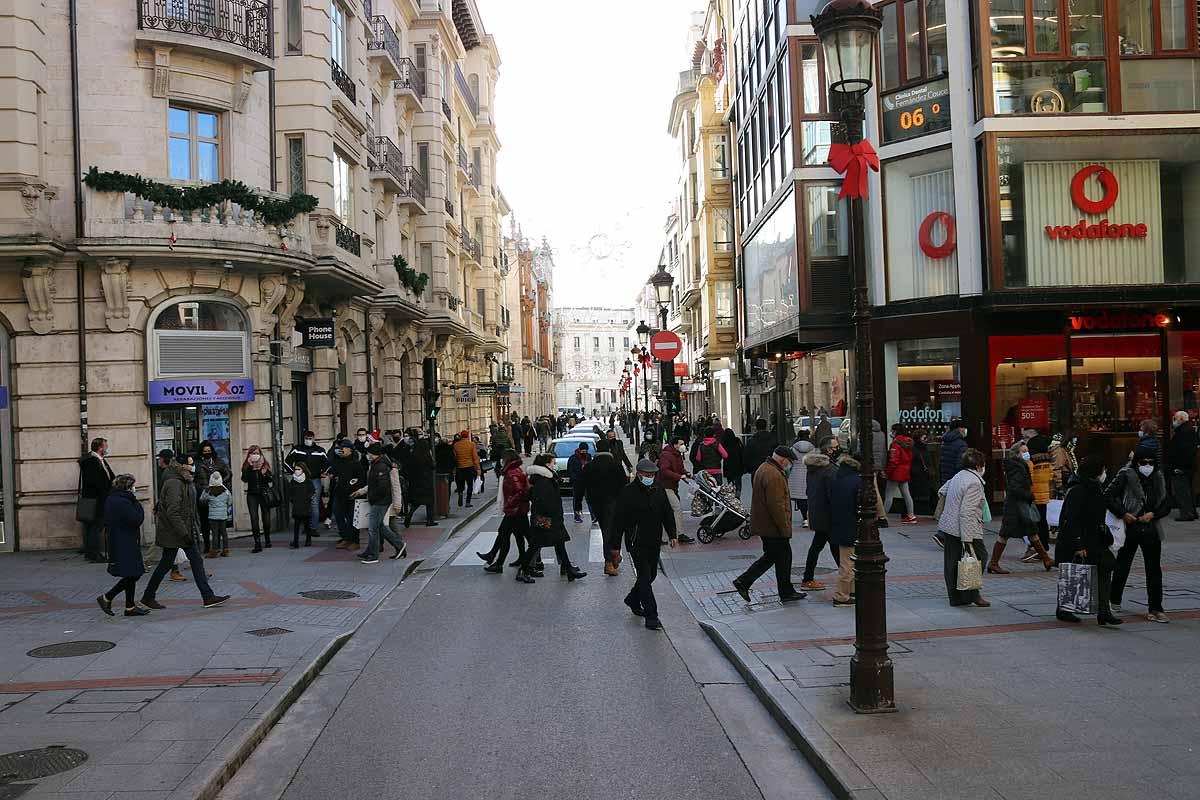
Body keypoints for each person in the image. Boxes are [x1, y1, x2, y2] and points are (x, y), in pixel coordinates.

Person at [140, 462, 229, 610]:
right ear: (182, 468)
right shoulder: (174, 483)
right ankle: (207, 596)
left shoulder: (185, 481)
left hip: (181, 531)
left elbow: (189, 509)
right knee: (193, 561)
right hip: (176, 532)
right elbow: (173, 512)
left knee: (168, 564)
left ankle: (148, 596)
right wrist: (185, 533)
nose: (192, 468)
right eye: (189, 466)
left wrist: (194, 528)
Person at [1108, 441, 1172, 623]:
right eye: (1143, 462)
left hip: (1151, 527)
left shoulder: (1158, 477)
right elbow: (1109, 496)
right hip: (1131, 525)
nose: (1147, 466)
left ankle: (1156, 608)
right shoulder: (1125, 475)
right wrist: (1123, 513)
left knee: (1153, 569)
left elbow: (1167, 502)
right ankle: (1114, 598)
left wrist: (1153, 514)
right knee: (1122, 564)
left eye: (1150, 462)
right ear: (1136, 462)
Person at [733, 447, 804, 603]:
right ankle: (744, 581)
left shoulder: (765, 468)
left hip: (766, 525)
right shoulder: (773, 475)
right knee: (777, 556)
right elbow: (777, 505)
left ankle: (786, 591)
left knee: (779, 557)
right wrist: (785, 529)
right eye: (790, 461)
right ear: (782, 459)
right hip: (773, 527)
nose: (790, 465)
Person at [612, 459, 677, 630]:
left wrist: (672, 534)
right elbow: (618, 521)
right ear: (639, 474)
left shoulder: (658, 489)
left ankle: (632, 599)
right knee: (644, 577)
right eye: (648, 475)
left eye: (653, 475)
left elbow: (667, 512)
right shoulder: (627, 492)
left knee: (651, 575)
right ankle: (652, 616)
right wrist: (615, 547)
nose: (651, 478)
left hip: (654, 540)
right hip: (636, 541)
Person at [1054, 454, 1120, 625]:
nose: (1105, 472)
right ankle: (1064, 609)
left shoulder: (1095, 487)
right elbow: (1070, 519)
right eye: (1103, 469)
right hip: (1079, 540)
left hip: (1096, 539)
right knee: (1073, 574)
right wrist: (1078, 544)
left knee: (1105, 568)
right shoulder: (1078, 489)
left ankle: (1104, 611)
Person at [518, 453, 586, 582]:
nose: (554, 465)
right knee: (536, 545)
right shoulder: (544, 480)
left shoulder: (545, 478)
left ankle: (568, 569)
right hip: (546, 518)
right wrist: (551, 515)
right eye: (553, 463)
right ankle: (523, 570)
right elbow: (543, 501)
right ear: (547, 465)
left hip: (549, 517)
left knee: (559, 542)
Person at [935, 447, 991, 607]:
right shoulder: (974, 482)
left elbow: (942, 491)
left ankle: (955, 597)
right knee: (979, 557)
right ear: (979, 465)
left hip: (949, 526)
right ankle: (971, 593)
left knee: (952, 561)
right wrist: (967, 539)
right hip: (966, 528)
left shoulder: (958, 476)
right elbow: (967, 512)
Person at [988, 442, 1054, 573]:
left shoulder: (1018, 466)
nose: (1027, 453)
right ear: (1017, 453)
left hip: (1018, 505)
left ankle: (1046, 558)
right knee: (1005, 534)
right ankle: (993, 563)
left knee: (1031, 532)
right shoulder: (1017, 467)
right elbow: (1015, 488)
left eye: (1027, 450)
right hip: (1015, 506)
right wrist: (1029, 496)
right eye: (1024, 451)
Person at [96, 474, 150, 617]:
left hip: (121, 539)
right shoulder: (123, 502)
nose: (134, 489)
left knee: (131, 572)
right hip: (124, 541)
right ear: (128, 487)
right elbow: (136, 519)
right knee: (134, 573)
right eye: (133, 486)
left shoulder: (114, 499)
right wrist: (138, 504)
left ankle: (130, 607)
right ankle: (107, 597)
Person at [800, 437, 840, 591]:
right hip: (828, 514)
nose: (837, 449)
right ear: (828, 449)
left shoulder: (814, 467)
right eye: (835, 447)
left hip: (818, 512)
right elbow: (833, 494)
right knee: (832, 546)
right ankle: (847, 576)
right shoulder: (828, 469)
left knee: (821, 546)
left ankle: (808, 577)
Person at [479, 451, 529, 575]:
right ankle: (523, 559)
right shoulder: (513, 471)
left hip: (515, 510)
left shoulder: (512, 473)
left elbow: (520, 491)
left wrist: (510, 503)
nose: (501, 461)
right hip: (517, 510)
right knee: (518, 535)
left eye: (503, 459)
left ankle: (498, 563)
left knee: (505, 534)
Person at [583, 439, 628, 576]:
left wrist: (579, 503)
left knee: (606, 530)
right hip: (614, 502)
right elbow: (624, 484)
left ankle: (613, 557)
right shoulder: (615, 465)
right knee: (615, 530)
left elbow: (582, 485)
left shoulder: (589, 466)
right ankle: (610, 560)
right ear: (609, 449)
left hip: (597, 503)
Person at [357, 443, 407, 564]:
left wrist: (396, 504)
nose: (367, 455)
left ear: (372, 453)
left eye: (368, 453)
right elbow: (374, 484)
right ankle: (399, 545)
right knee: (379, 526)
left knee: (373, 528)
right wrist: (362, 491)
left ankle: (373, 555)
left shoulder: (381, 466)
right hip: (380, 500)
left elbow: (385, 486)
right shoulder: (377, 464)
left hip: (380, 501)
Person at [827, 454, 862, 607]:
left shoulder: (837, 477)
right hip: (851, 524)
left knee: (849, 561)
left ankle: (851, 592)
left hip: (838, 523)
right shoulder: (856, 480)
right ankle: (841, 596)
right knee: (848, 563)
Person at [79, 436, 115, 563]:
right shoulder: (92, 462)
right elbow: (95, 482)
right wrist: (106, 492)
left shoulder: (100, 460)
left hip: (100, 499)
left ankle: (91, 553)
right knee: (95, 527)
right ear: (100, 448)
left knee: (93, 527)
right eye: (105, 446)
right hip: (96, 501)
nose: (107, 448)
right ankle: (93, 554)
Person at [285, 431, 329, 534]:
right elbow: (287, 462)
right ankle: (305, 526)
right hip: (299, 480)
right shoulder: (297, 449)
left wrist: (323, 472)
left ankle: (313, 528)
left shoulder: (320, 451)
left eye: (310, 438)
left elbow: (327, 464)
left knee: (314, 504)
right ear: (303, 438)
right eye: (306, 438)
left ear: (313, 439)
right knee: (300, 503)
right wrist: (294, 472)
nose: (308, 440)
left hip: (314, 480)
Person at [327, 440, 366, 550]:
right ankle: (345, 538)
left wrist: (356, 488)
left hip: (352, 495)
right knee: (338, 515)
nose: (341, 450)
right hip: (339, 493)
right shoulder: (338, 461)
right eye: (340, 448)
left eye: (343, 448)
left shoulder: (356, 463)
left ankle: (355, 540)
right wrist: (331, 475)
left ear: (350, 449)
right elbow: (333, 471)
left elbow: (361, 480)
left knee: (351, 518)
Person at [194, 440, 231, 554]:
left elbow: (229, 473)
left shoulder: (218, 462)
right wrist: (200, 488)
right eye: (205, 451)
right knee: (205, 522)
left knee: (218, 522)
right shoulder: (197, 463)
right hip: (204, 495)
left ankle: (218, 545)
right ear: (201, 452)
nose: (207, 453)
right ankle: (207, 545)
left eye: (209, 451)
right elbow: (192, 477)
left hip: (217, 495)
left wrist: (220, 484)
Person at [656, 436, 693, 544]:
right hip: (665, 486)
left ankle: (673, 534)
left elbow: (680, 468)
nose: (683, 446)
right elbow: (664, 470)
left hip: (672, 486)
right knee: (677, 508)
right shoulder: (666, 455)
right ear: (675, 445)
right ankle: (679, 534)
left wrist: (686, 473)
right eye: (681, 444)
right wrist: (679, 476)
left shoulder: (677, 455)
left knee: (667, 511)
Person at [240, 445, 274, 552]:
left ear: (260, 454)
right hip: (252, 495)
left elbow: (270, 479)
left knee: (266, 518)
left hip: (264, 493)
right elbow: (244, 479)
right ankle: (257, 543)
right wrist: (249, 467)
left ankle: (267, 539)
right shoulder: (247, 465)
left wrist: (264, 474)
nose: (255, 455)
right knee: (254, 518)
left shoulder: (264, 464)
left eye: (257, 453)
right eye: (253, 453)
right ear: (249, 455)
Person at [1167, 410, 1198, 521]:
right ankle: (1191, 512)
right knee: (1188, 490)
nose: (1173, 421)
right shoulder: (1188, 430)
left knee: (1182, 490)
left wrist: (1178, 467)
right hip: (1187, 466)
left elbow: (1183, 451)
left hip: (1181, 467)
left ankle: (1186, 513)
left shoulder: (1183, 432)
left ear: (1181, 419)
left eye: (1175, 418)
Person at [882, 424, 917, 524]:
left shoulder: (895, 444)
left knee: (889, 495)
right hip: (905, 471)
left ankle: (883, 516)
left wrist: (887, 472)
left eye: (891, 430)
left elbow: (893, 460)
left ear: (895, 431)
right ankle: (911, 515)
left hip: (895, 473)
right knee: (906, 494)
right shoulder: (909, 442)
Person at [403, 437, 438, 527]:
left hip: (416, 481)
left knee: (416, 502)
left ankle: (409, 514)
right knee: (429, 502)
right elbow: (433, 466)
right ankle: (430, 520)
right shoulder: (426, 455)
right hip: (426, 481)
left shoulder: (414, 454)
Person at [287, 463, 316, 548]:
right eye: (295, 469)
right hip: (296, 505)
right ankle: (296, 542)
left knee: (307, 524)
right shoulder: (293, 480)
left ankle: (308, 540)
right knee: (296, 524)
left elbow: (313, 491)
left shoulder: (308, 481)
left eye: (299, 469)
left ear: (303, 470)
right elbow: (290, 491)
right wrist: (292, 499)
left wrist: (308, 498)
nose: (297, 471)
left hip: (306, 505)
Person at [788, 430, 815, 520]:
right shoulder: (813, 448)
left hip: (796, 475)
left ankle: (804, 518)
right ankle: (809, 515)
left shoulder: (793, 448)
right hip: (809, 473)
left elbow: (790, 463)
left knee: (800, 498)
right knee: (809, 496)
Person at [205, 472, 232, 557]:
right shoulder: (225, 491)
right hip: (223, 515)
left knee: (215, 534)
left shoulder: (208, 491)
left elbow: (202, 499)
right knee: (224, 533)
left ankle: (214, 551)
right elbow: (230, 501)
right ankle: (226, 549)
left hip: (212, 517)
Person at [452, 430, 481, 508]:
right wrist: (478, 468)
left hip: (460, 467)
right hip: (469, 467)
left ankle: (460, 493)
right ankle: (468, 502)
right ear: (468, 436)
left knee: (460, 483)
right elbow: (475, 457)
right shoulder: (471, 444)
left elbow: (454, 457)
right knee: (470, 484)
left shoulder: (456, 445)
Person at [909, 431, 934, 516]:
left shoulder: (922, 448)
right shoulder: (916, 449)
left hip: (921, 474)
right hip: (918, 474)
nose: (926, 440)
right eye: (924, 438)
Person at [938, 419, 969, 486]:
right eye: (964, 428)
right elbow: (960, 465)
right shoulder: (961, 444)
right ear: (959, 429)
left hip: (945, 478)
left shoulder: (945, 441)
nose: (965, 430)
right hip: (956, 481)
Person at [566, 442, 591, 523]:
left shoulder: (589, 457)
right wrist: (575, 478)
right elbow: (570, 471)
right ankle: (577, 515)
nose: (584, 452)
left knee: (590, 499)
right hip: (577, 482)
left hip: (587, 481)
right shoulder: (573, 458)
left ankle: (593, 516)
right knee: (577, 500)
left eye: (585, 451)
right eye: (582, 451)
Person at [720, 428, 745, 499]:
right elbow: (742, 452)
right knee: (738, 480)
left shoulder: (723, 443)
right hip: (738, 464)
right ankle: (738, 493)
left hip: (728, 465)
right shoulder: (737, 441)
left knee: (730, 481)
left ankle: (731, 494)